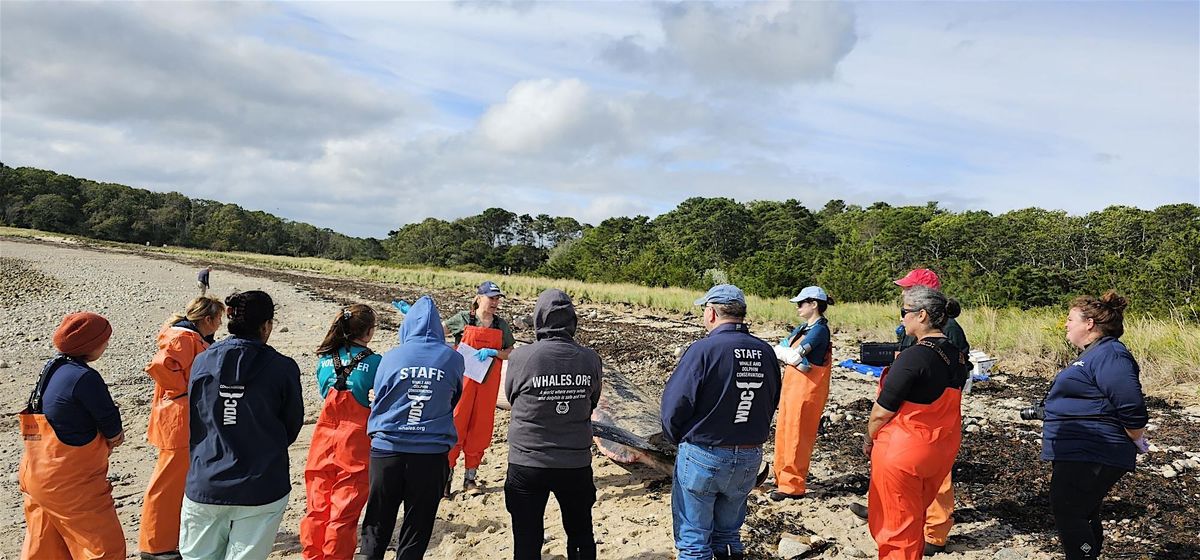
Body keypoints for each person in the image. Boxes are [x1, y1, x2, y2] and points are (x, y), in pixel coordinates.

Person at [852, 268, 969, 555]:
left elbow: (881, 412)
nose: (901, 317)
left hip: (904, 451)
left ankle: (932, 534)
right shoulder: (956, 355)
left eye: (905, 312)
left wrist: (869, 439)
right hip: (940, 446)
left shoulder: (916, 355)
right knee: (912, 518)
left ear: (922, 315)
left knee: (896, 531)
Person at [181, 291, 304, 560]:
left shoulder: (203, 360)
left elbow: (198, 416)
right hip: (261, 484)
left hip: (208, 479)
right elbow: (291, 425)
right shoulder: (282, 367)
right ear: (266, 325)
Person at [661, 284, 781, 560]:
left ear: (712, 313)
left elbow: (675, 404)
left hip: (706, 452)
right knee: (728, 535)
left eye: (705, 310)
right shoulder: (765, 351)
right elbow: (772, 399)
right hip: (749, 453)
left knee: (693, 539)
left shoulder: (704, 349)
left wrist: (675, 436)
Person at [1040, 291, 1146, 560]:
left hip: (1094, 449)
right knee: (1083, 510)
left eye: (1070, 319)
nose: (1065, 324)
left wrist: (1135, 436)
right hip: (1079, 449)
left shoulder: (1111, 353)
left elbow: (1131, 404)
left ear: (1089, 324)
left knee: (1069, 510)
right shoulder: (1093, 353)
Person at [360, 296, 464, 560]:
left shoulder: (392, 356)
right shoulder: (452, 359)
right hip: (430, 454)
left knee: (376, 523)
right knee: (417, 527)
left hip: (388, 451)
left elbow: (380, 396)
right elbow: (454, 399)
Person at [504, 289, 604, 560]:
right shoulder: (590, 358)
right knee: (581, 530)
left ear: (539, 320)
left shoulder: (521, 357)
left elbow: (512, 396)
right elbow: (592, 400)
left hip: (528, 460)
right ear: (573, 322)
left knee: (526, 535)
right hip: (574, 462)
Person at [20, 312, 126, 560]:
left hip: (34, 474)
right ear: (91, 345)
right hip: (71, 484)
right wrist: (115, 437)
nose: (107, 344)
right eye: (105, 340)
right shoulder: (85, 378)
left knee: (46, 548)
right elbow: (111, 424)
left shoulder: (51, 368)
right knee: (104, 550)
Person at [139, 296, 226, 560]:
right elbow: (159, 367)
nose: (221, 324)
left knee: (176, 482)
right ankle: (156, 547)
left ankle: (167, 541)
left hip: (181, 418)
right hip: (178, 419)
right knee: (167, 484)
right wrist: (185, 392)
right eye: (219, 319)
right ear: (207, 319)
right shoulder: (184, 338)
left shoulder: (190, 337)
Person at [300, 304, 382, 560]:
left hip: (323, 442)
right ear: (368, 332)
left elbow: (325, 393)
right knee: (344, 512)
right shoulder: (375, 361)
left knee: (317, 506)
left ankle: (312, 555)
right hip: (355, 445)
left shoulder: (324, 360)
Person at [443, 280, 515, 496]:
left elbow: (511, 351)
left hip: (487, 385)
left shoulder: (500, 325)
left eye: (497, 298)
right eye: (491, 298)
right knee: (456, 424)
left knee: (481, 428)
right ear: (478, 298)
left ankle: (470, 479)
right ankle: (446, 478)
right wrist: (416, 318)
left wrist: (495, 353)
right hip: (461, 383)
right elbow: (437, 332)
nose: (495, 302)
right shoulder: (463, 319)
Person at [770, 286, 834, 501]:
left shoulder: (819, 330)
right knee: (784, 432)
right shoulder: (803, 328)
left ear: (814, 304)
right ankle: (781, 479)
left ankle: (793, 486)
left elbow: (793, 355)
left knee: (798, 436)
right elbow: (779, 350)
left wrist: (790, 356)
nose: (798, 307)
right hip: (792, 388)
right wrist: (790, 356)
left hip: (807, 391)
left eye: (801, 303)